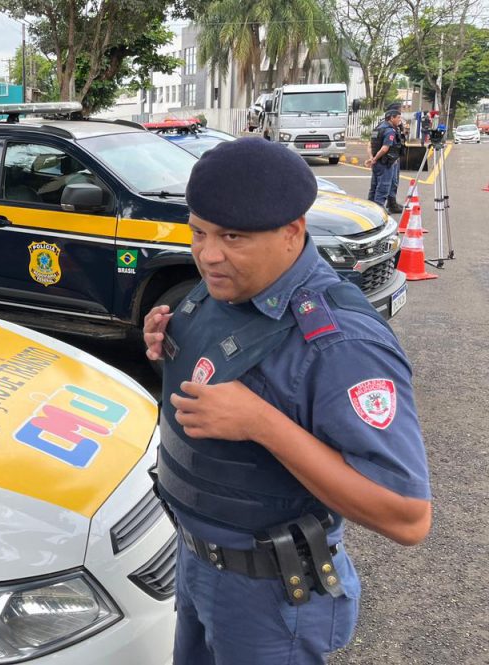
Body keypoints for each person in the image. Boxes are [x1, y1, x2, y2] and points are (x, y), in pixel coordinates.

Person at [142, 137, 432, 665]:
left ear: (293, 232)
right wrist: (167, 345)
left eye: (233, 236)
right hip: (197, 564)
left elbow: (408, 517)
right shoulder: (223, 285)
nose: (208, 254)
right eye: (199, 232)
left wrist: (262, 424)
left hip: (271, 596)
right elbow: (223, 370)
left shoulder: (341, 344)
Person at [366, 110, 405, 213]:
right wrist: (374, 159)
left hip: (377, 163)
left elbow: (370, 145)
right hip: (385, 163)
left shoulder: (377, 128)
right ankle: (378, 208)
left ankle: (369, 207)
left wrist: (372, 158)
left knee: (374, 186)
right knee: (384, 186)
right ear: (392, 118)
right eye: (398, 118)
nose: (399, 120)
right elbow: (384, 148)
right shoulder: (390, 131)